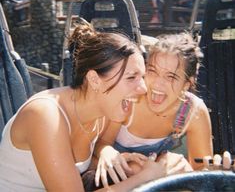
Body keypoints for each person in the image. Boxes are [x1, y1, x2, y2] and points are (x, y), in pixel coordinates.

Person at [0, 20, 189, 191]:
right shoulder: (45, 115)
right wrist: (146, 177)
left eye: (142, 77)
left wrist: (124, 162)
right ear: (94, 79)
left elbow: (72, 169)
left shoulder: (101, 114)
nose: (142, 89)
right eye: (131, 77)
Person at [94, 32, 214, 187]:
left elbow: (201, 168)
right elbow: (100, 143)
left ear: (186, 84)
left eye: (170, 77)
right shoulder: (130, 99)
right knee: (136, 168)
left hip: (156, 178)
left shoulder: (191, 111)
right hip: (115, 174)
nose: (157, 83)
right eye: (152, 71)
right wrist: (107, 151)